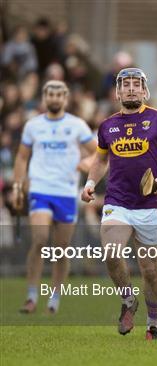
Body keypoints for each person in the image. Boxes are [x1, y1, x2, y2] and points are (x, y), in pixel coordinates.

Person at [81, 68, 157, 340]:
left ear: (144, 90)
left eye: (135, 85)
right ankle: (128, 301)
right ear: (118, 91)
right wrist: (91, 183)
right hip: (117, 202)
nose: (130, 89)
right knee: (112, 253)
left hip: (150, 205)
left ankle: (153, 322)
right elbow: (101, 160)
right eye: (125, 85)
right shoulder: (107, 126)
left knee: (151, 272)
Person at [12, 80, 97, 314]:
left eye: (59, 95)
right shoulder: (33, 126)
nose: (55, 98)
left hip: (66, 191)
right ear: (44, 97)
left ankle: (55, 296)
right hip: (40, 188)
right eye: (51, 94)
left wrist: (86, 163)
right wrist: (18, 186)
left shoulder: (77, 125)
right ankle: (31, 295)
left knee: (62, 248)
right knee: (39, 239)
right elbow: (21, 158)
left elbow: (99, 153)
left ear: (66, 98)